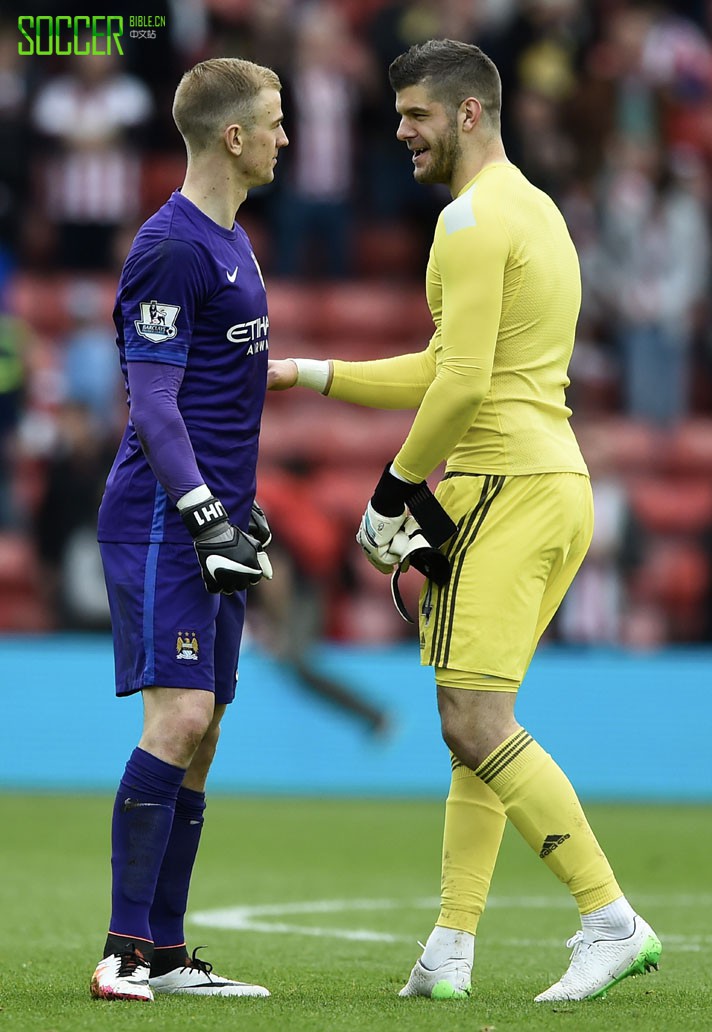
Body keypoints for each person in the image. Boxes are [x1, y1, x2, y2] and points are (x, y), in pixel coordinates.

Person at [268, 39, 661, 1003]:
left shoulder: (470, 221)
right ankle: (450, 948)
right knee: (477, 721)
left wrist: (396, 489)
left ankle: (609, 917)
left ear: (470, 113)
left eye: (415, 115)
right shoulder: (534, 211)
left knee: (472, 719)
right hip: (553, 483)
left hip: (502, 487)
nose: (400, 131)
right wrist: (316, 372)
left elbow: (464, 384)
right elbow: (449, 365)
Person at [91, 57, 288, 1002]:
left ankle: (165, 955)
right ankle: (121, 951)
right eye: (276, 123)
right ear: (234, 137)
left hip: (215, 516)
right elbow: (155, 402)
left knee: (205, 732)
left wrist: (240, 505)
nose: (287, 138)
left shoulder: (235, 241)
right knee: (179, 717)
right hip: (166, 520)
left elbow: (217, 391)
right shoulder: (171, 247)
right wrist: (205, 512)